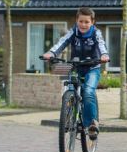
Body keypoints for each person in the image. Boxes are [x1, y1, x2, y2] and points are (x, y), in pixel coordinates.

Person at [42, 7, 109, 140]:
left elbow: (101, 44)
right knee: (69, 90)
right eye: (81, 21)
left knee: (88, 91)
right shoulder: (73, 32)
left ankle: (91, 124)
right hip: (77, 67)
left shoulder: (96, 33)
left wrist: (104, 54)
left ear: (92, 22)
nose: (83, 25)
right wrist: (52, 53)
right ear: (76, 20)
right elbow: (62, 42)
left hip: (92, 68)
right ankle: (68, 118)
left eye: (87, 22)